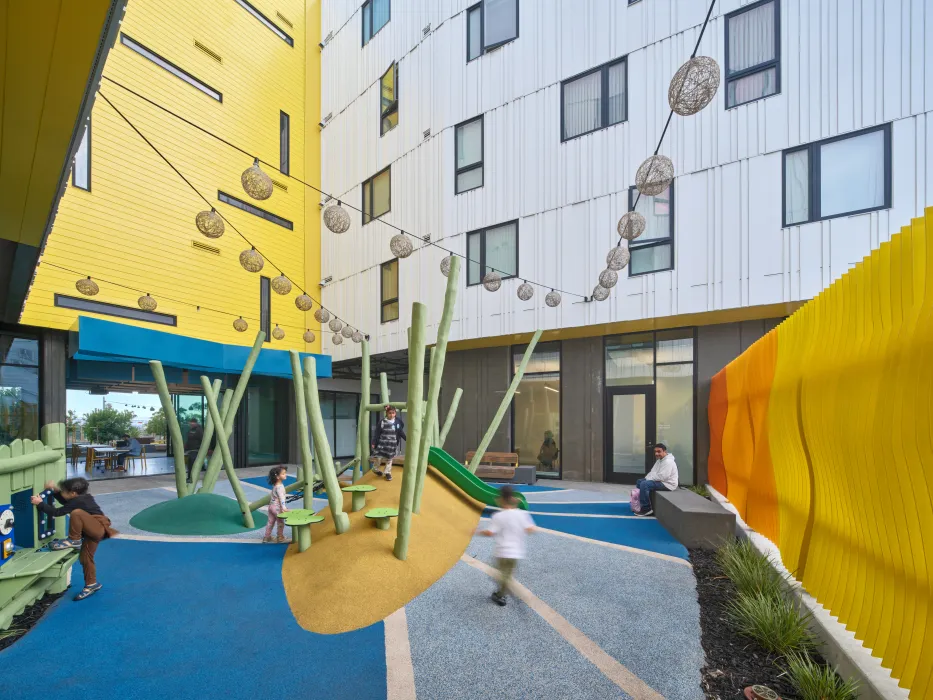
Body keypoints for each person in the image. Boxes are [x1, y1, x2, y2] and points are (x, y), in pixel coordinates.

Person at [31, 477, 117, 601]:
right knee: (86, 558)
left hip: (97, 528)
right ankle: (92, 584)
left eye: (63, 491)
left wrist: (40, 503)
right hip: (92, 531)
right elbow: (66, 503)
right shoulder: (81, 498)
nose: (62, 493)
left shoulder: (79, 502)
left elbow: (58, 512)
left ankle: (74, 540)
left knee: (76, 513)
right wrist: (55, 491)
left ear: (73, 493)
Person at [477, 485, 536, 606]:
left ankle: (503, 593)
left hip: (502, 552)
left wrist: (477, 531)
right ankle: (502, 591)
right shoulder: (521, 514)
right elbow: (531, 529)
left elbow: (490, 532)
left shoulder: (498, 516)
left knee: (500, 575)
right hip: (516, 553)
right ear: (514, 499)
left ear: (501, 500)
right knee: (507, 574)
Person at [635, 443, 678, 517]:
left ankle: (646, 509)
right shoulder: (660, 460)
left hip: (668, 484)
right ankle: (646, 501)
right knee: (639, 482)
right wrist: (647, 478)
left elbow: (662, 477)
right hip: (660, 481)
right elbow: (652, 472)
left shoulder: (668, 462)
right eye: (655, 451)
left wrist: (648, 479)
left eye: (659, 451)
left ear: (665, 451)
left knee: (644, 484)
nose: (656, 453)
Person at [369, 405, 406, 482]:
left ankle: (387, 473)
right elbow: (377, 433)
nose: (391, 415)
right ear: (386, 413)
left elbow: (400, 432)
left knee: (389, 459)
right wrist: (374, 442)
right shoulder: (382, 422)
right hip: (382, 444)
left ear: (395, 413)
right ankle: (375, 469)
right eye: (390, 413)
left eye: (393, 413)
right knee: (379, 457)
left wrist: (407, 439)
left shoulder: (397, 421)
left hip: (392, 445)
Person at [263, 466, 289, 544]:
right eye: (283, 474)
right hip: (277, 508)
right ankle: (280, 537)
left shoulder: (275, 485)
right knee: (280, 522)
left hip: (271, 506)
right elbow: (281, 498)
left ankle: (266, 537)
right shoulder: (280, 487)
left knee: (270, 522)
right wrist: (284, 507)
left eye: (285, 473)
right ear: (277, 477)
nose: (285, 475)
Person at [185, 417, 204, 483]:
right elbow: (189, 440)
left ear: (194, 423)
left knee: (192, 464)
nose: (190, 424)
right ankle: (190, 477)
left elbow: (202, 439)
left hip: (195, 449)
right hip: (191, 450)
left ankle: (191, 478)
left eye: (191, 422)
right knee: (190, 464)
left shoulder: (198, 430)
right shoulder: (191, 430)